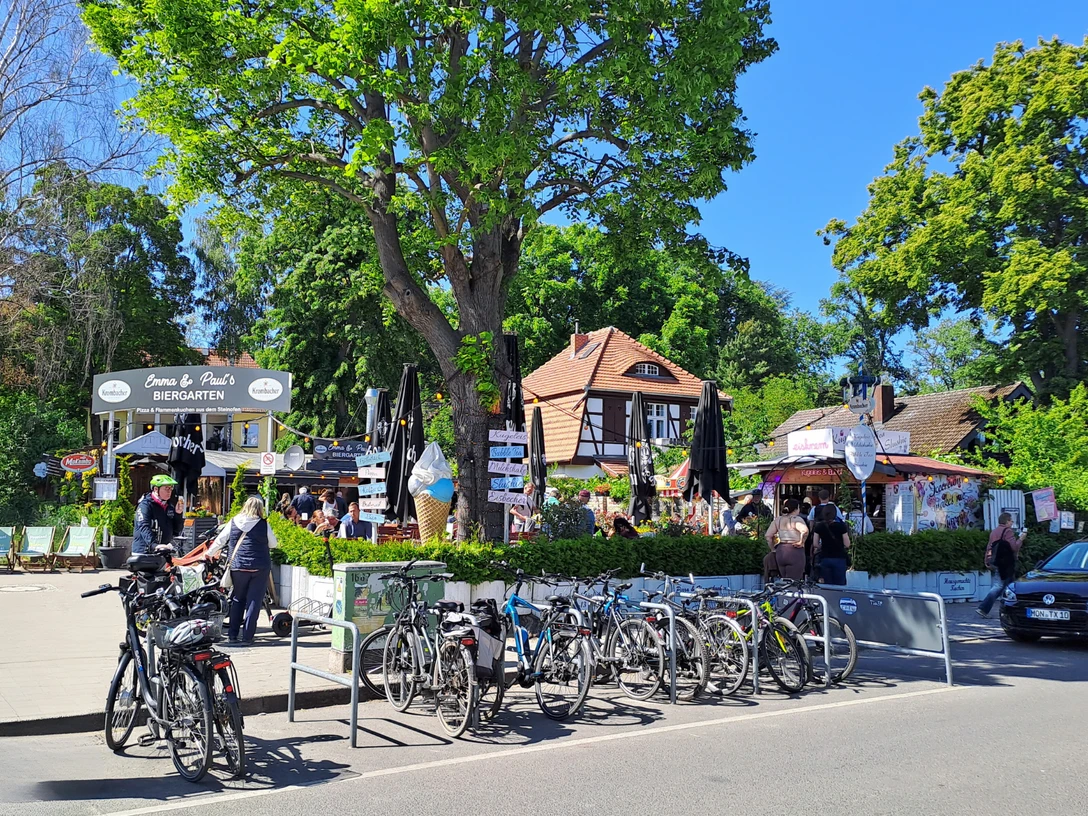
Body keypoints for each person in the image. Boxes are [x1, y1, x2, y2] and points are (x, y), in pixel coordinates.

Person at [209, 496, 278, 646]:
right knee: (254, 601)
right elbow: (273, 544)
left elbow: (220, 540)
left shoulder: (234, 521)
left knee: (238, 599)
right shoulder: (263, 524)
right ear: (259, 509)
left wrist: (209, 553)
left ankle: (232, 635)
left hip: (238, 566)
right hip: (260, 567)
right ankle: (247, 637)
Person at [978, 513, 1027, 617]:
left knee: (1008, 586)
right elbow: (1014, 547)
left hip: (996, 561)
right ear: (1007, 521)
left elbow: (989, 547)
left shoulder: (994, 531)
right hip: (1006, 563)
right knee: (1000, 586)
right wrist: (1021, 539)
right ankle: (983, 608)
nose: (1012, 522)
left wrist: (987, 560)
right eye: (1011, 521)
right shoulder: (1008, 531)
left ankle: (1010, 610)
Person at [132, 474, 186, 554]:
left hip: (163, 551)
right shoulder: (145, 505)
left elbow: (177, 530)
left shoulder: (169, 506)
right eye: (166, 488)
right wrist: (154, 545)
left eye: (171, 488)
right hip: (144, 552)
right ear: (156, 489)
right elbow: (144, 526)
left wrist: (178, 514)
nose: (169, 491)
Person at [765, 497, 809, 580]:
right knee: (794, 581)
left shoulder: (778, 520)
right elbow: (805, 531)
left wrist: (773, 549)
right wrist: (801, 541)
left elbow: (768, 536)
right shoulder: (796, 519)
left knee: (784, 581)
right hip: (794, 551)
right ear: (796, 509)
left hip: (781, 552)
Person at [812, 503, 852, 585]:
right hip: (839, 558)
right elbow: (847, 544)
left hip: (825, 557)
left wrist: (821, 546)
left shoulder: (819, 526)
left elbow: (815, 544)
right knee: (840, 584)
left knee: (827, 584)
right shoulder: (841, 526)